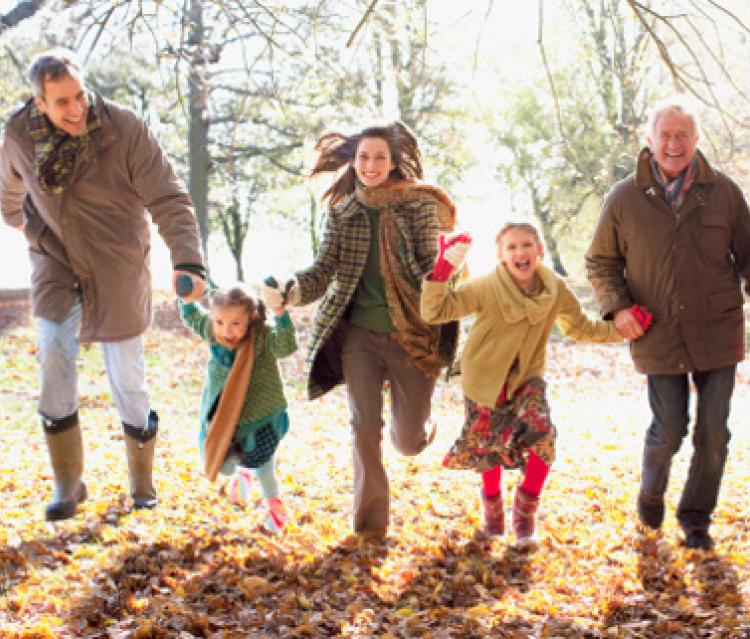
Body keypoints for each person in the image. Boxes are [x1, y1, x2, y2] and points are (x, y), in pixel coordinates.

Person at [0, 50, 207, 521]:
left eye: (80, 96)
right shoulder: (18, 135)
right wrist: (30, 226)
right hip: (54, 261)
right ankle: (68, 485)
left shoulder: (123, 129)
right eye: (61, 103)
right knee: (53, 353)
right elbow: (9, 196)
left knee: (127, 378)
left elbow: (168, 197)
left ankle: (142, 482)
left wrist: (188, 261)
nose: (76, 110)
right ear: (39, 102)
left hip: (117, 264)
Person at [264, 121, 458, 538]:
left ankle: (419, 430)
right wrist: (292, 290)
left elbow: (429, 266)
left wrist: (446, 270)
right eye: (363, 157)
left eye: (379, 157)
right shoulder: (343, 213)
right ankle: (370, 528)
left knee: (406, 441)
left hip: (412, 334)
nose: (370, 165)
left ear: (393, 163)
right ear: (353, 162)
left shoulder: (418, 207)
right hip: (359, 339)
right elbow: (323, 271)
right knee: (363, 426)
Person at [586, 96, 750, 549]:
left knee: (713, 431)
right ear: (650, 140)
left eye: (683, 136)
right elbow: (601, 262)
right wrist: (618, 309)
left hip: (717, 328)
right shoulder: (623, 197)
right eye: (666, 136)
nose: (674, 144)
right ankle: (651, 491)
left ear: (696, 140)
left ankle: (696, 518)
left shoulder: (725, 193)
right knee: (670, 428)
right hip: (656, 330)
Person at [422, 222, 626, 548]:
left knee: (542, 436)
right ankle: (493, 516)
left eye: (527, 245)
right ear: (501, 255)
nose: (521, 252)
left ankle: (524, 516)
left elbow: (581, 327)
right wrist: (443, 269)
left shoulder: (554, 289)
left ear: (539, 250)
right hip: (485, 379)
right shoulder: (488, 286)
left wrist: (624, 330)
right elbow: (435, 311)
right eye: (512, 247)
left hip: (527, 381)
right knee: (489, 449)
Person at [180, 283, 297, 532]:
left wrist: (281, 315)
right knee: (223, 465)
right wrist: (187, 297)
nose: (227, 331)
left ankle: (276, 508)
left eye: (236, 323)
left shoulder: (262, 336)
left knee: (262, 465)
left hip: (260, 417)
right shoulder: (214, 333)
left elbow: (285, 347)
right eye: (220, 322)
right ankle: (243, 474)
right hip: (225, 418)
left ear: (252, 318)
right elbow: (191, 315)